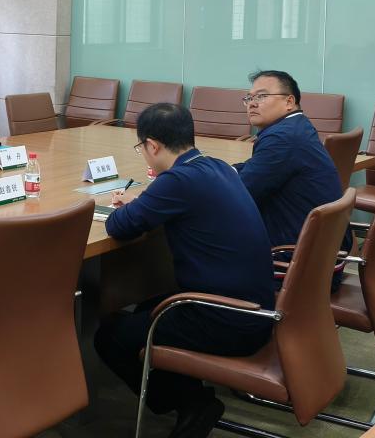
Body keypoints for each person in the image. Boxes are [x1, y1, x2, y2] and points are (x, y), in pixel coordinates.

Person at [94, 103, 275, 438]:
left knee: (110, 336)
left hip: (228, 319)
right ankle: (187, 392)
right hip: (256, 307)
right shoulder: (216, 166)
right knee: (148, 307)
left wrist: (129, 205)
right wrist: (147, 202)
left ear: (152, 145)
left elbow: (120, 226)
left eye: (141, 148)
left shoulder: (177, 181)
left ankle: (192, 404)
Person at [234, 69, 351, 267]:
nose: (252, 103)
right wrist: (223, 170)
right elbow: (256, 168)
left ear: (289, 102)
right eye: (249, 98)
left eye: (261, 96)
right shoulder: (296, 126)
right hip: (320, 252)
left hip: (296, 261)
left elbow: (240, 194)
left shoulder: (282, 137)